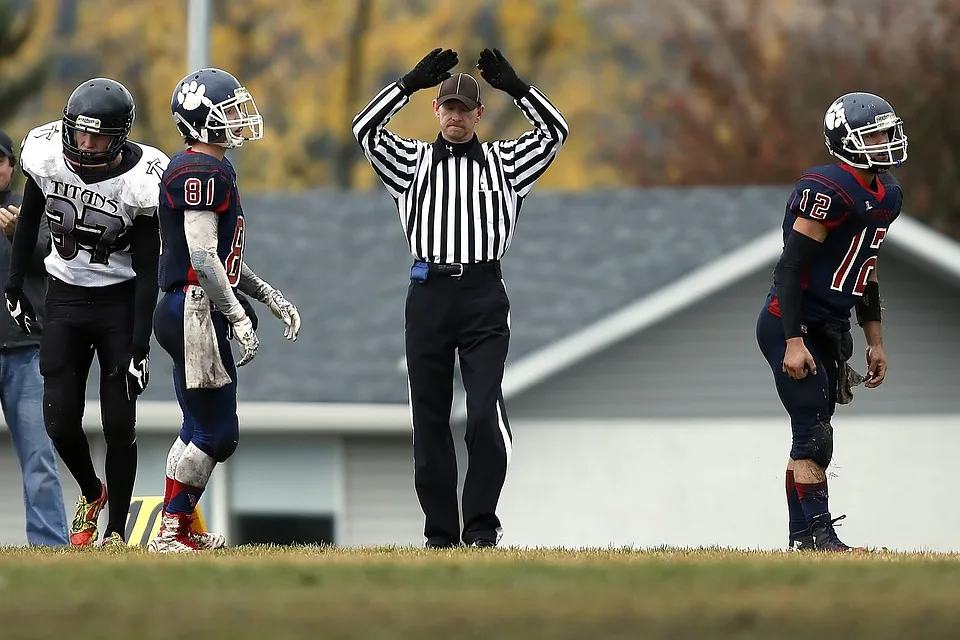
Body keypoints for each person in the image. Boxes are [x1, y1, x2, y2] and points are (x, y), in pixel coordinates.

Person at [352, 48, 568, 548]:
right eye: (446, 107)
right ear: (437, 110)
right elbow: (365, 131)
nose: (454, 115)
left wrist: (518, 87)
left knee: (483, 412)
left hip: (482, 294)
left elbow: (555, 133)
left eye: (463, 109)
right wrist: (407, 84)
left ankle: (481, 529)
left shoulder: (506, 163)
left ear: (478, 114)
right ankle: (440, 534)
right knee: (428, 417)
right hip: (427, 294)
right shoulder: (412, 162)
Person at [4, 79, 169, 547]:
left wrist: (140, 346)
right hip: (65, 296)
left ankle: (116, 531)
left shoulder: (142, 179)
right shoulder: (46, 153)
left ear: (119, 137)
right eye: (80, 133)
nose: (85, 144)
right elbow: (31, 216)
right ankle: (92, 492)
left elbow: (146, 267)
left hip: (119, 300)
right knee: (58, 420)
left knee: (119, 421)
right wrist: (15, 285)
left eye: (97, 137)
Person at [147, 68, 301, 553]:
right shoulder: (201, 170)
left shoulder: (215, 168)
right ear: (199, 120)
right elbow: (202, 256)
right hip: (194, 308)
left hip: (187, 304)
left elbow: (225, 259)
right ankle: (170, 528)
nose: (239, 119)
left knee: (196, 425)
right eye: (227, 111)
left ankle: (179, 528)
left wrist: (269, 297)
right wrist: (236, 315)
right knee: (218, 433)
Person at [756, 92, 907, 552]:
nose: (886, 141)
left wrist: (874, 341)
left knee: (811, 430)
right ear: (847, 140)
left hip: (830, 325)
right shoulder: (827, 189)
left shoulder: (888, 195)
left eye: (887, 131)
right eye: (875, 134)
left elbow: (868, 269)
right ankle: (821, 539)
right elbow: (790, 267)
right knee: (813, 435)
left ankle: (802, 536)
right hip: (792, 323)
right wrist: (793, 340)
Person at [0, 129, 70, 546]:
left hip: (27, 352)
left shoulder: (32, 208)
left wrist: (17, 236)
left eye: (2, 160)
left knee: (39, 457)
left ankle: (49, 545)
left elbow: (57, 259)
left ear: (12, 166)